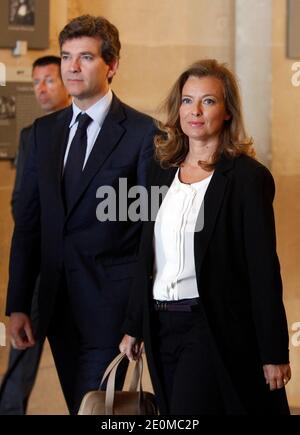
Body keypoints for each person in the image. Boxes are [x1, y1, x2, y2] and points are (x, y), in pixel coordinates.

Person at [120, 59, 291, 415]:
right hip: (160, 324)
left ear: (227, 111)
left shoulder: (247, 178)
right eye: (187, 100)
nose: (194, 111)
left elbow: (262, 270)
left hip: (209, 325)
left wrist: (274, 352)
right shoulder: (160, 170)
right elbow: (146, 257)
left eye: (208, 101)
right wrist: (134, 326)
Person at [5, 15, 156, 415]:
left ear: (112, 65)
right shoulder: (42, 133)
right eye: (67, 56)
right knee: (83, 406)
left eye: (85, 57)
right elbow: (30, 226)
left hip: (111, 307)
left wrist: (137, 318)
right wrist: (18, 302)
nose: (71, 67)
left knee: (97, 407)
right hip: (57, 306)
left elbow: (150, 234)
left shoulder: (143, 134)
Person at [0, 55, 71, 415]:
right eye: (36, 82)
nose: (41, 89)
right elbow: (21, 207)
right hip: (42, 267)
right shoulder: (32, 136)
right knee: (22, 356)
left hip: (82, 270)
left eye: (49, 80)